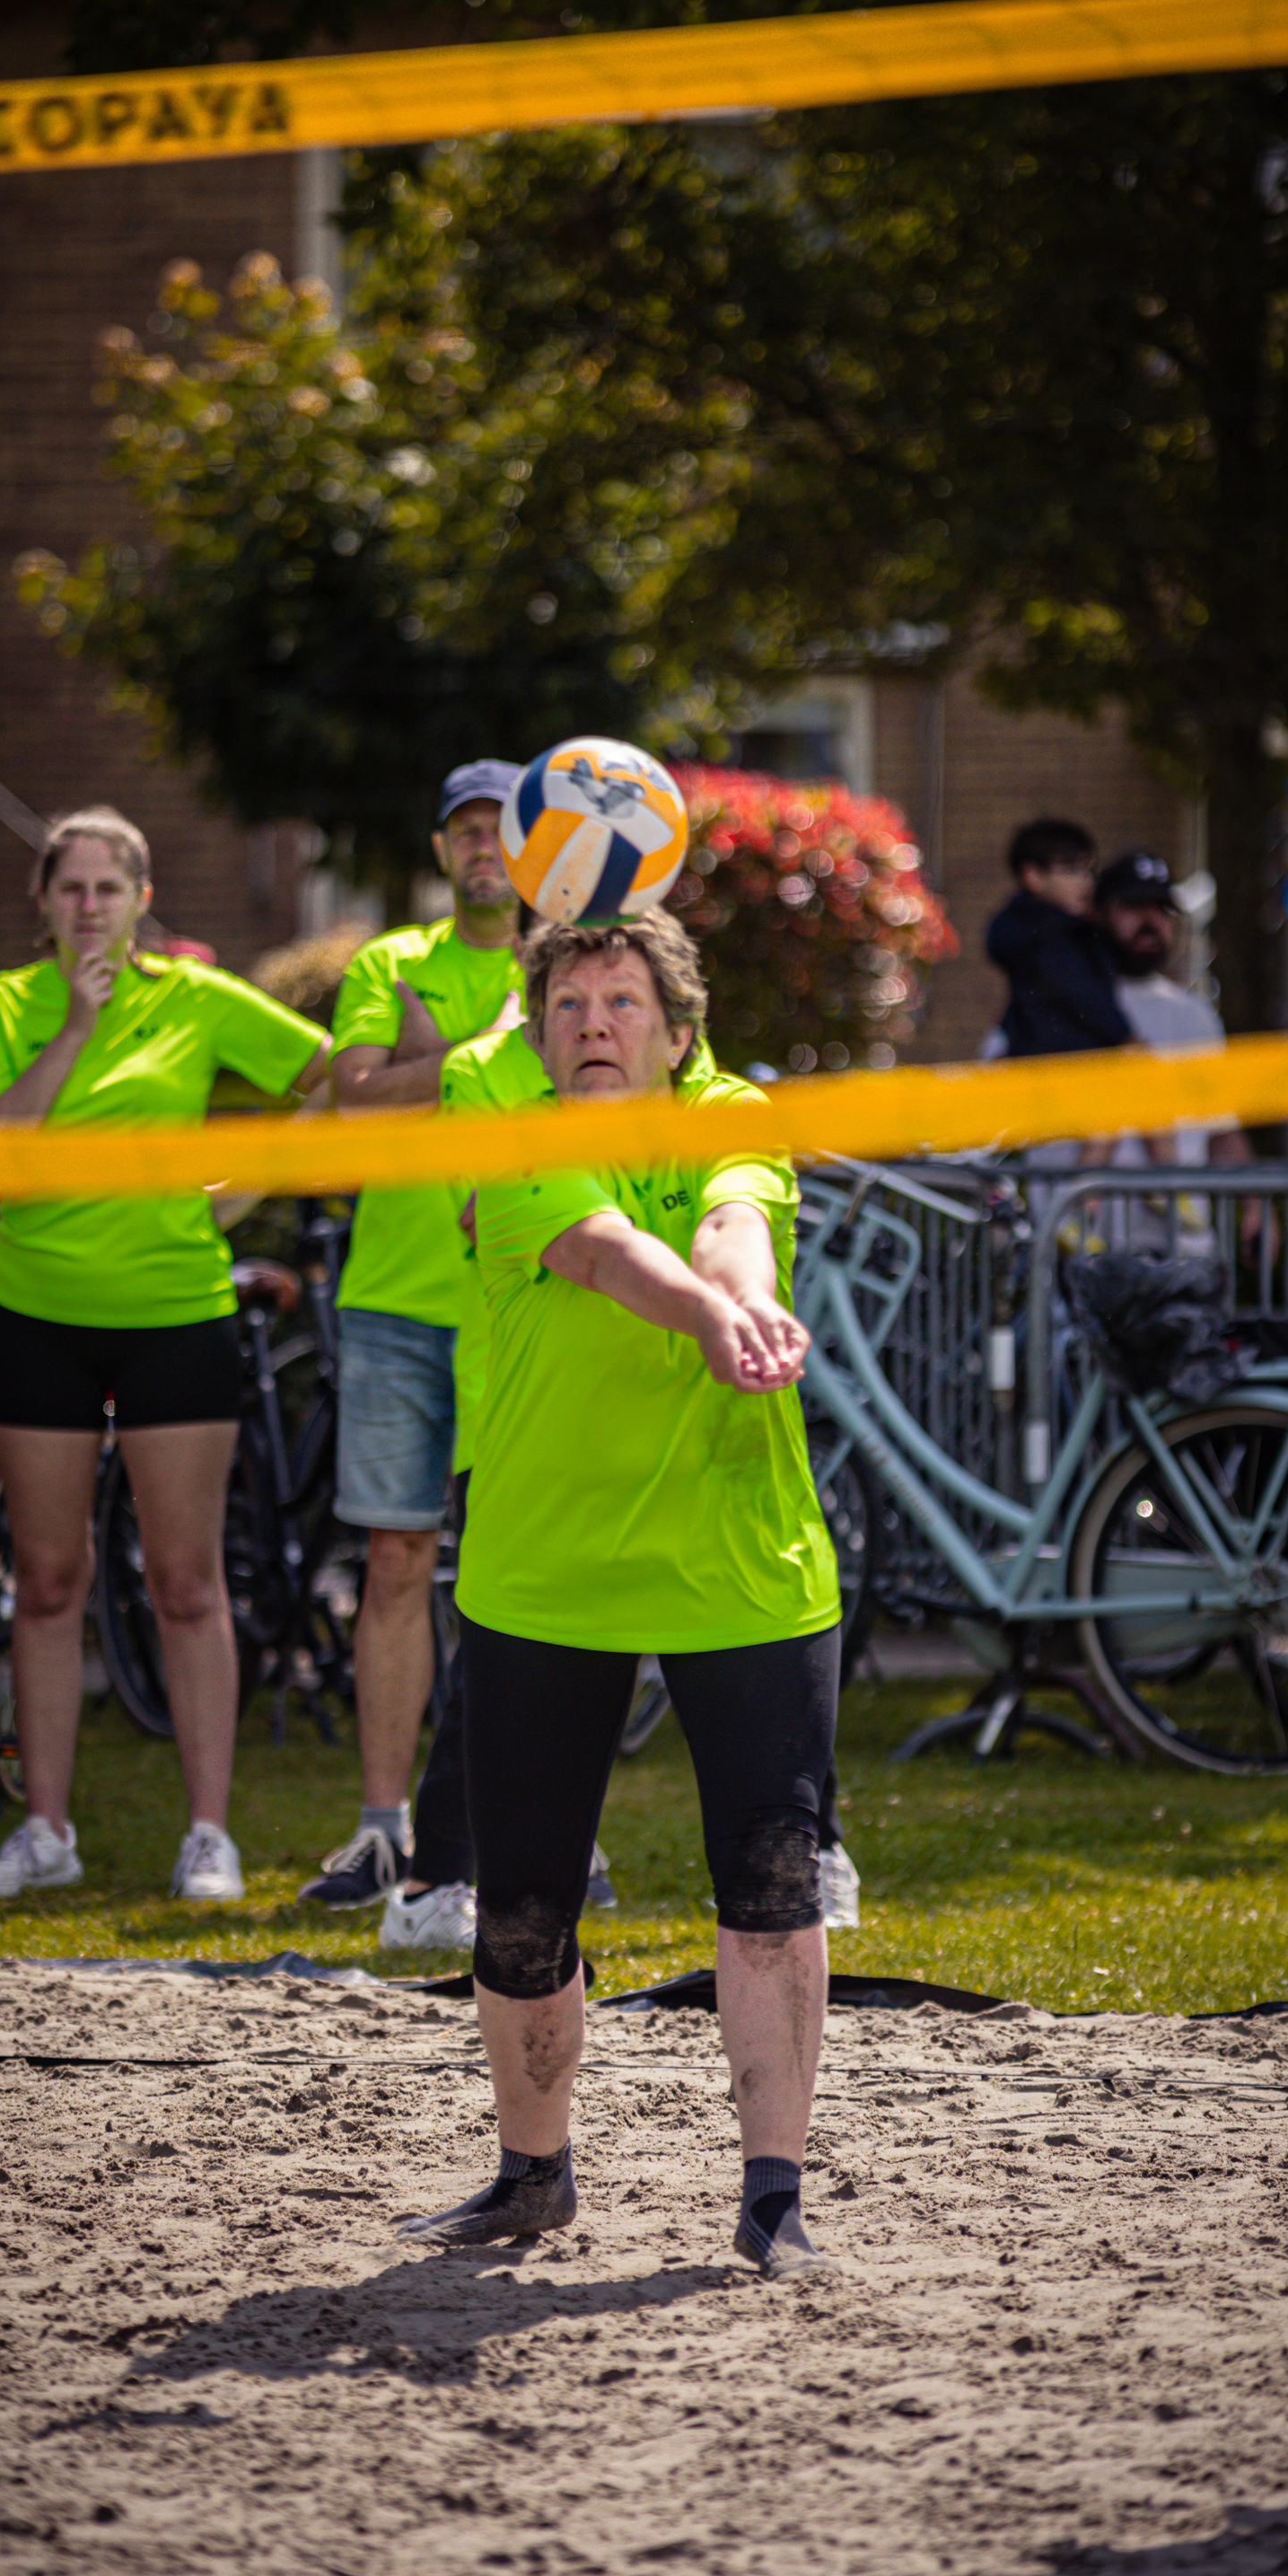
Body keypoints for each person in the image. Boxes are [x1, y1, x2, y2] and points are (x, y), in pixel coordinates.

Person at [399, 907, 843, 2279]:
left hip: (742, 1563)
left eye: (624, 1001)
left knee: (772, 1881)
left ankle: (773, 2198)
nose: (594, 1022)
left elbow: (731, 1229)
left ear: (679, 1026)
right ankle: (533, 2175)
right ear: (538, 1036)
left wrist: (744, 1303)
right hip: (548, 1568)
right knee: (522, 1909)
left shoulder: (733, 1109)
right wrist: (714, 1319)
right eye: (571, 1003)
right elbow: (596, 1246)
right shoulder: (507, 1115)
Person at [0, 806, 329, 1903]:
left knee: (185, 1581)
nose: (87, 908)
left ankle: (208, 1833)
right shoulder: (5, 1007)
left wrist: (251, 1186)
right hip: (39, 1315)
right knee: (47, 1580)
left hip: (176, 1314)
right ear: (42, 905)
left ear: (141, 899)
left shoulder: (197, 1000)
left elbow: (331, 1079)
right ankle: (45, 1830)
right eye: (68, 890)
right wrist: (69, 1031)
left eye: (106, 889)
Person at [298, 760, 522, 1920]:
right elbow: (355, 1098)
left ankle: (519, 1823)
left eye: (503, 828)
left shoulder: (571, 963)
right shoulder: (392, 962)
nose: (484, 847)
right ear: (441, 850)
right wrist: (493, 1054)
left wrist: (431, 1062)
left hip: (524, 1299)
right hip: (395, 1301)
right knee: (395, 1566)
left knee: (513, 1578)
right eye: (465, 830)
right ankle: (384, 1830)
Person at [1092, 848, 1265, 1254]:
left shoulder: (1196, 1017)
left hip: (1184, 1251)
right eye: (1134, 906)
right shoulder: (1069, 1006)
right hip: (1093, 1251)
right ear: (1100, 914)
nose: (1150, 921)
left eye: (1160, 909)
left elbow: (1221, 1129)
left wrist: (1257, 1207)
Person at [986, 816, 1131, 1060]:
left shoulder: (1023, 932)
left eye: (1089, 870)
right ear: (1032, 876)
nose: (1085, 882)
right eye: (1070, 870)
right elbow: (1088, 1003)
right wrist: (1126, 1040)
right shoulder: (1056, 938)